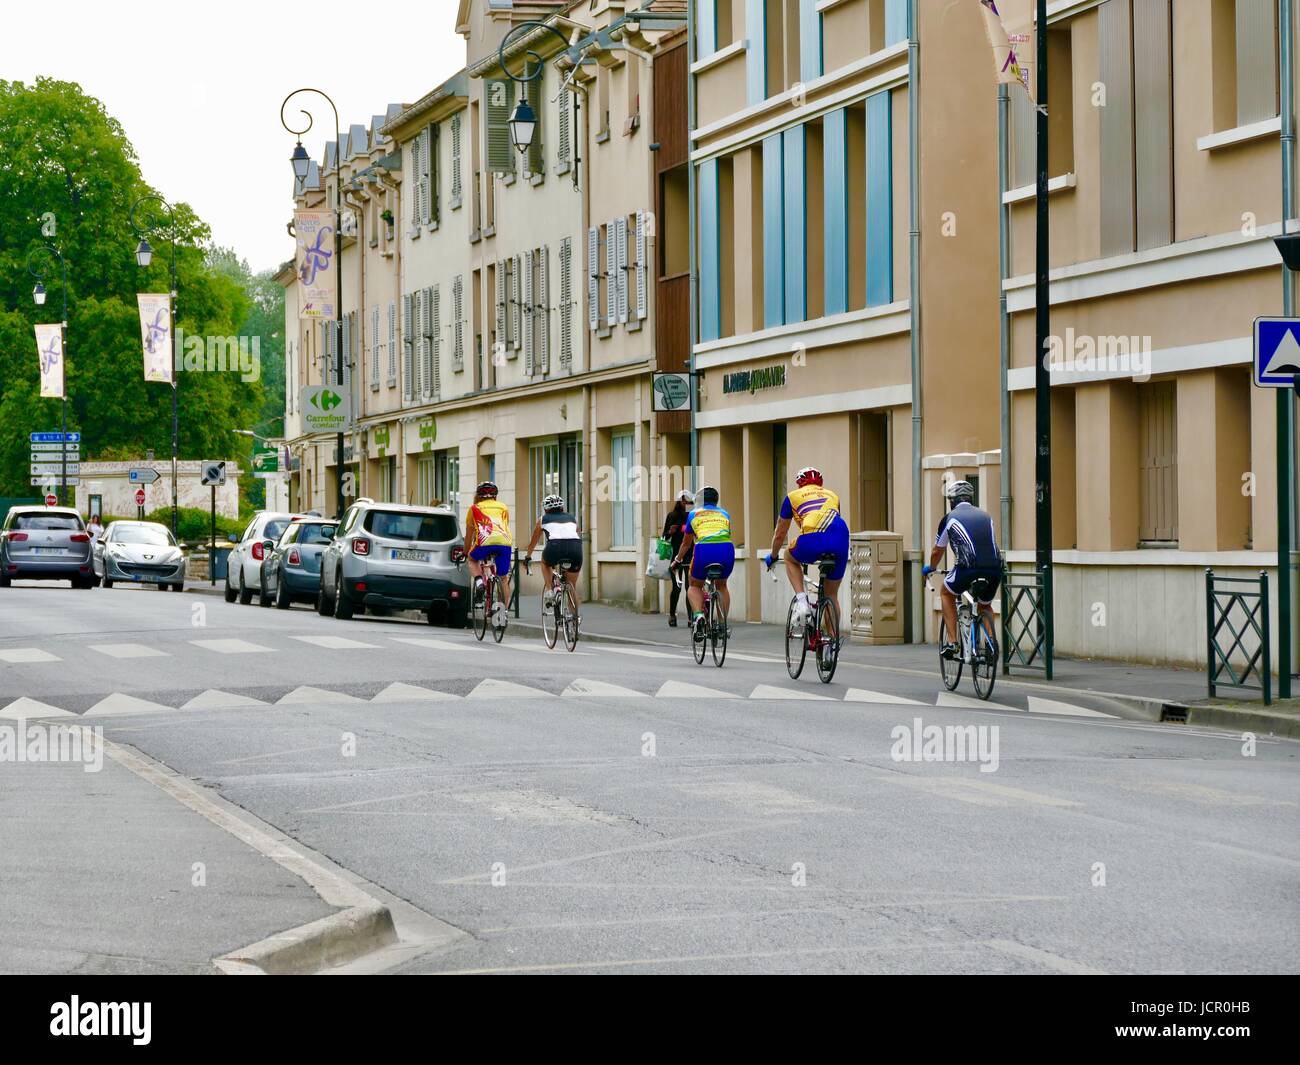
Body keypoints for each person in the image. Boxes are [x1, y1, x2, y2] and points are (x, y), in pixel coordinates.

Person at [923, 480, 1002, 658]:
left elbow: (937, 550)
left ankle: (952, 643)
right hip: (995, 568)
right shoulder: (986, 515)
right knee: (984, 605)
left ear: (952, 501)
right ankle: (991, 643)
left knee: (946, 592)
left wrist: (931, 568)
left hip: (968, 568)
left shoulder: (949, 518)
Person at [765, 466, 850, 628]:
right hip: (841, 540)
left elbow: (780, 533)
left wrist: (773, 556)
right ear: (820, 483)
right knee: (831, 595)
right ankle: (832, 647)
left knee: (789, 557)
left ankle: (802, 601)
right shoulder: (833, 495)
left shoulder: (792, 497)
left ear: (799, 484)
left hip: (813, 538)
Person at [671, 486, 734, 640]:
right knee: (722, 586)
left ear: (699, 501)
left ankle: (699, 615)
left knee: (694, 585)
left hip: (703, 551)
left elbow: (686, 544)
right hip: (726, 550)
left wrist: (677, 560)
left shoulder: (693, 514)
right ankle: (722, 624)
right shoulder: (724, 513)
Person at [523, 494, 582, 616]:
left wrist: (528, 556)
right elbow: (577, 531)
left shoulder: (543, 519)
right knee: (572, 587)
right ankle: (575, 620)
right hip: (575, 548)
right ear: (562, 508)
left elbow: (534, 541)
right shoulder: (572, 518)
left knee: (545, 562)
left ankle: (550, 590)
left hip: (554, 547)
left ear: (545, 509)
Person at [464, 481, 513, 628]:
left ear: (478, 496)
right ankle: (503, 613)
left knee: (472, 560)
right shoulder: (503, 507)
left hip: (484, 543)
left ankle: (479, 582)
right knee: (503, 578)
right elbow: (504, 525)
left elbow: (469, 534)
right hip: (504, 544)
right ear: (495, 496)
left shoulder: (474, 508)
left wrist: (466, 552)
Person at [661, 489, 695, 627]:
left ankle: (690, 617)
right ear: (679, 501)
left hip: (690, 554)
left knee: (689, 587)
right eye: (684, 501)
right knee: (676, 588)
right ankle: (672, 614)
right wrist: (671, 531)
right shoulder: (672, 516)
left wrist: (681, 528)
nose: (686, 503)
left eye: (688, 501)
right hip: (676, 555)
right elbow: (664, 536)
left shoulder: (692, 515)